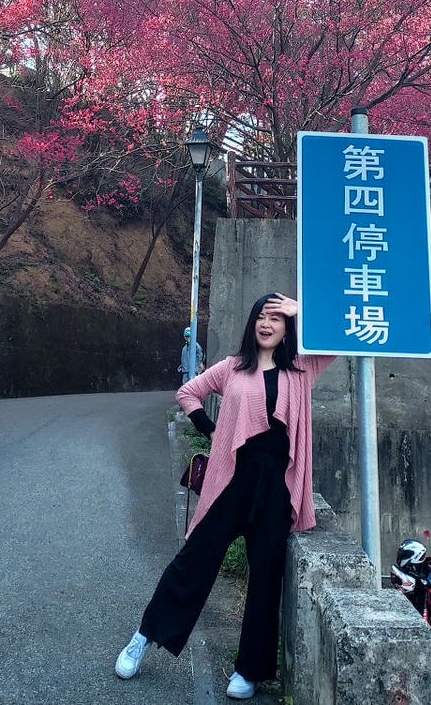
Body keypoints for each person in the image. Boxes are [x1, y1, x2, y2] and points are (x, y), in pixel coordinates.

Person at [115, 293, 335, 700]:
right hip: (231, 479)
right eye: (261, 317)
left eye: (276, 318)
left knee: (266, 578)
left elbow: (337, 338)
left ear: (287, 328)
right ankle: (144, 636)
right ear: (251, 324)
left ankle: (249, 670)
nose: (267, 324)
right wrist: (212, 429)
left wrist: (302, 310)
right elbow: (188, 394)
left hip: (276, 488)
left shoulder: (302, 368)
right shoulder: (232, 368)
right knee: (193, 561)